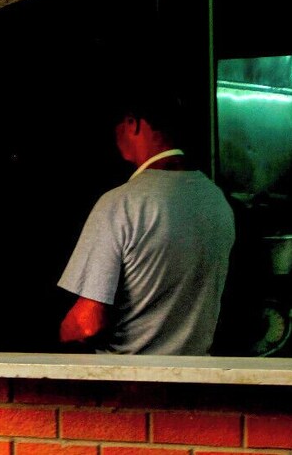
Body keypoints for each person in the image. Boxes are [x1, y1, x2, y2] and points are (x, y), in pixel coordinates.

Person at [57, 90, 235, 355]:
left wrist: (53, 338)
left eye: (116, 124)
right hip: (195, 382)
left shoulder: (120, 204)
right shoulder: (216, 200)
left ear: (133, 123)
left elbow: (88, 324)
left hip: (128, 385)